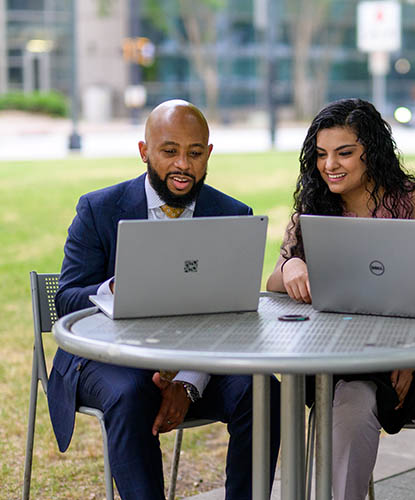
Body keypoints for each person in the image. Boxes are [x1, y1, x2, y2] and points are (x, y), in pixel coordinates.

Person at [48, 99, 281, 500]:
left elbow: (236, 312)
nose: (183, 165)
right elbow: (67, 299)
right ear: (144, 152)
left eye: (194, 153)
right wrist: (113, 289)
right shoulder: (98, 208)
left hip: (197, 360)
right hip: (110, 360)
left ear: (208, 155)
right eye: (169, 151)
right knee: (131, 393)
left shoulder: (232, 214)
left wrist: (188, 382)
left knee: (263, 391)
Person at [266, 98, 415, 500]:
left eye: (344, 153)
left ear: (373, 151)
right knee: (348, 413)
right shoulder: (314, 211)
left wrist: (410, 356)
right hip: (359, 360)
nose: (329, 165)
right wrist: (291, 268)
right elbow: (273, 284)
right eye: (321, 154)